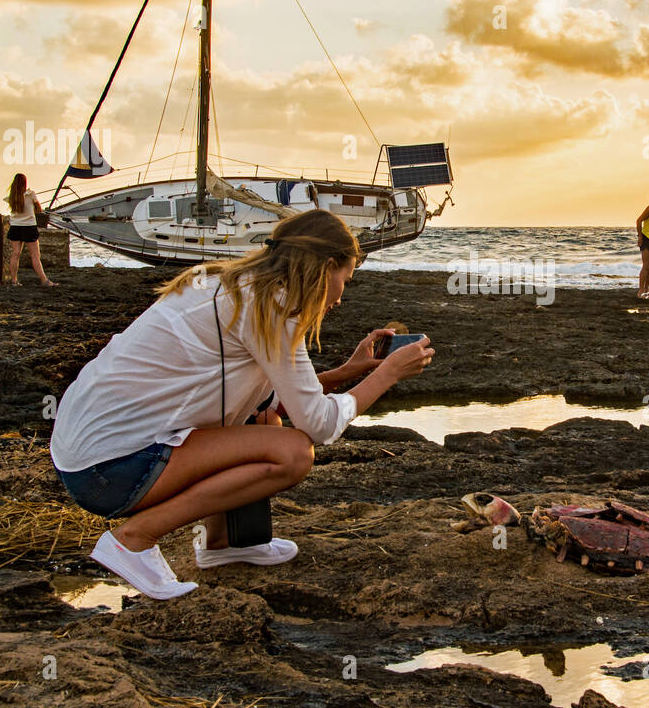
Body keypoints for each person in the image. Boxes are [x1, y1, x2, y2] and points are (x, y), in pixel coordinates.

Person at [49, 209, 434, 599]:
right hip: (109, 470)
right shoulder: (273, 307)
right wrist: (386, 376)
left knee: (267, 422)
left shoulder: (239, 287)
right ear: (324, 267)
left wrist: (348, 372)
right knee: (293, 454)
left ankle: (227, 544)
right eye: (344, 279)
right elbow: (318, 426)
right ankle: (133, 539)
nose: (340, 295)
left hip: (90, 458)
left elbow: (277, 403)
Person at [5, 173, 56, 287]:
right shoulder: (30, 194)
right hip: (28, 226)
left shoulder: (12, 196)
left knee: (15, 254)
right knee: (35, 255)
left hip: (15, 226)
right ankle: (44, 280)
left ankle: (14, 281)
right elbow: (38, 209)